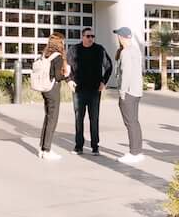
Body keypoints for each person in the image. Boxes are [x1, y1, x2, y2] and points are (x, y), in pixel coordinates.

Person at [70, 26, 113, 156]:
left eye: (92, 36)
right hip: (79, 90)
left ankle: (95, 146)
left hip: (94, 90)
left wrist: (103, 82)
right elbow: (67, 66)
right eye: (88, 36)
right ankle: (78, 146)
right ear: (82, 37)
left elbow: (109, 66)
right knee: (79, 118)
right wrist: (69, 80)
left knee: (94, 118)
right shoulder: (74, 49)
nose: (90, 39)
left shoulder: (99, 49)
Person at [112, 25, 146, 164]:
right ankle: (137, 151)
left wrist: (122, 92)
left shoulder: (125, 52)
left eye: (118, 36)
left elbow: (126, 73)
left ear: (121, 37)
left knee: (130, 123)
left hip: (128, 92)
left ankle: (133, 153)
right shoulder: (135, 50)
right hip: (136, 91)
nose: (118, 38)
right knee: (134, 122)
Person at [31, 32, 66, 160]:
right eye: (62, 41)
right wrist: (66, 74)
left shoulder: (45, 54)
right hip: (52, 89)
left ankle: (42, 148)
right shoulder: (58, 57)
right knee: (52, 120)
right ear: (59, 43)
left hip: (44, 89)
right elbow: (58, 76)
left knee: (47, 118)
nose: (64, 44)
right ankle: (47, 150)